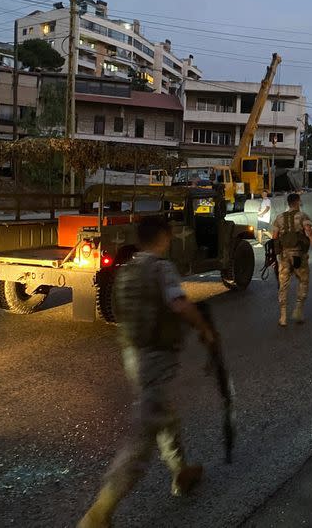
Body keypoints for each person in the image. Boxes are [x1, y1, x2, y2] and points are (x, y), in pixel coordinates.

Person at [78, 217, 215, 528]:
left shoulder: (128, 269)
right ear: (164, 237)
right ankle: (100, 512)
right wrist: (204, 329)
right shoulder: (160, 267)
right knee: (143, 434)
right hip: (155, 357)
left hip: (133, 354)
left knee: (165, 413)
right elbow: (179, 303)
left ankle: (180, 470)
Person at [272, 193, 312, 327]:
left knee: (283, 284)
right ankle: (298, 310)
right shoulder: (302, 216)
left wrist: (275, 255)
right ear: (298, 202)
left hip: (284, 256)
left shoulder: (279, 217)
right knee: (303, 280)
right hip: (298, 255)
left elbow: (275, 236)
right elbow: (309, 233)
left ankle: (283, 316)